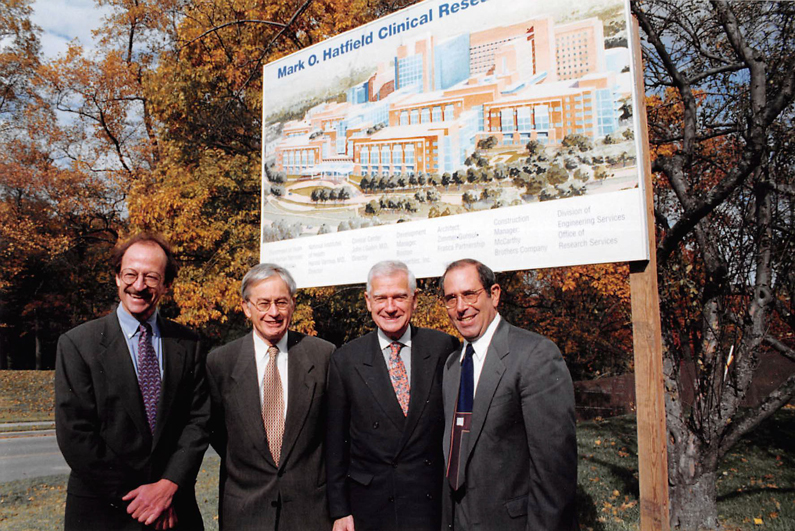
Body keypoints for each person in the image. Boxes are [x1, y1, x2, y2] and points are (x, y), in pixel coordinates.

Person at [55, 233, 210, 530]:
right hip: (103, 511)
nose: (139, 286)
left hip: (174, 509)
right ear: (116, 277)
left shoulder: (188, 343)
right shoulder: (77, 344)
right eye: (130, 274)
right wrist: (144, 500)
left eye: (151, 277)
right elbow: (75, 435)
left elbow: (199, 421)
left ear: (166, 285)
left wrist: (166, 487)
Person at [440, 259, 577, 530]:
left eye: (470, 294)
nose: (460, 307)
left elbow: (554, 474)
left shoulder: (534, 356)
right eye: (450, 298)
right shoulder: (451, 366)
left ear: (494, 294)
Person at [326, 260, 460, 531]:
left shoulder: (443, 347)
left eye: (399, 297)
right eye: (381, 298)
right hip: (371, 506)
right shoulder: (346, 359)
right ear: (367, 301)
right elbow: (335, 445)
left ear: (414, 299)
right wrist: (340, 510)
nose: (390, 307)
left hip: (429, 505)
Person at [206, 263, 335, 530]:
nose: (273, 313)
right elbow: (220, 433)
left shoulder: (323, 355)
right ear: (246, 307)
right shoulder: (221, 362)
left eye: (281, 302)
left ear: (293, 304)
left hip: (310, 512)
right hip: (245, 511)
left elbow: (333, 433)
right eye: (263, 303)